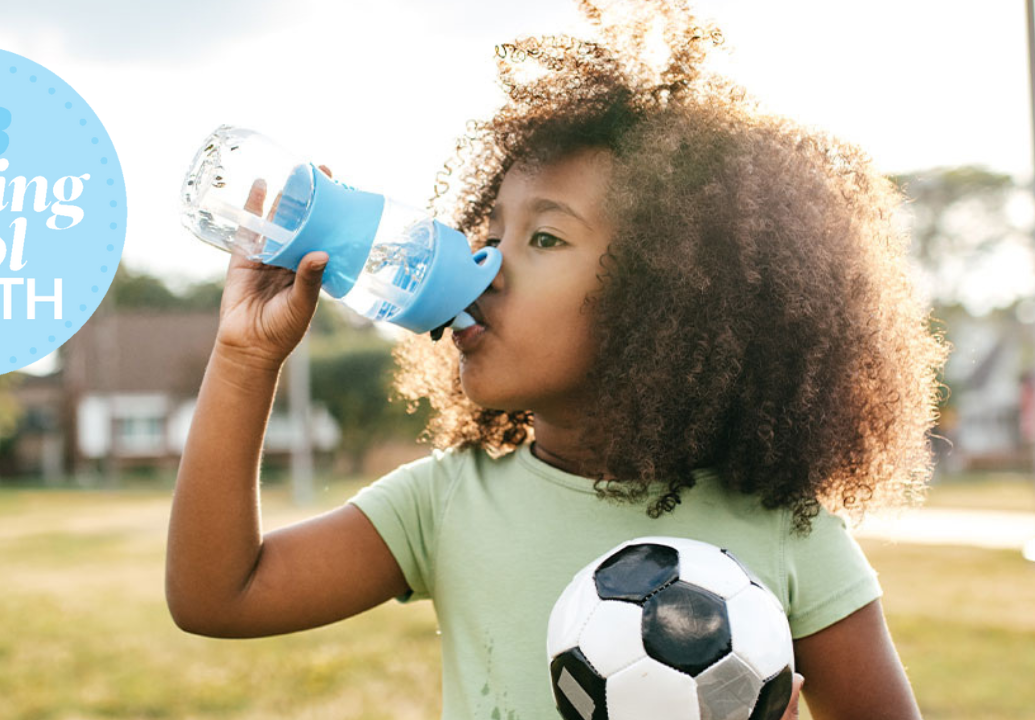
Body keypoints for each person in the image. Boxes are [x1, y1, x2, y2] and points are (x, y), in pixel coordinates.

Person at [164, 1, 946, 719]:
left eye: (544, 238)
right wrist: (244, 358)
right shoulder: (446, 506)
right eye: (493, 230)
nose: (487, 263)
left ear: (666, 299)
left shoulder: (786, 534)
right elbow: (219, 596)